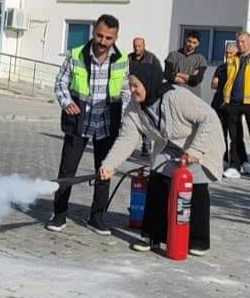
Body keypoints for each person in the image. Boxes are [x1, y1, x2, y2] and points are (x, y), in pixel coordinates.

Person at [99, 62, 223, 256]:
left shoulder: (175, 97)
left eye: (135, 85)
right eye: (130, 85)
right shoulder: (135, 107)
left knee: (196, 188)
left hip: (200, 143)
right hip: (169, 146)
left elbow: (210, 118)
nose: (132, 91)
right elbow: (127, 138)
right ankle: (152, 235)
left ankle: (198, 240)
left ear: (148, 83)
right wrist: (109, 165)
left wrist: (195, 151)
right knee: (158, 181)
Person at [48, 14, 130, 236]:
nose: (103, 42)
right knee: (67, 170)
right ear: (94, 31)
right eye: (100, 35)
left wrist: (123, 117)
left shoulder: (122, 59)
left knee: (104, 171)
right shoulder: (76, 55)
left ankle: (97, 218)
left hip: (106, 124)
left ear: (116, 37)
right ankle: (59, 214)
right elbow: (60, 83)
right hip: (78, 122)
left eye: (109, 38)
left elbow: (125, 91)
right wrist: (66, 102)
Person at [221, 31, 250, 178]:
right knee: (234, 136)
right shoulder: (233, 59)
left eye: (243, 41)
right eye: (238, 41)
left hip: (249, 102)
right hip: (233, 102)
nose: (240, 44)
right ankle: (236, 165)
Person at [128, 37, 162, 157]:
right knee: (132, 120)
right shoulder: (129, 58)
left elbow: (158, 74)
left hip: (147, 95)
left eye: (139, 46)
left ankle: (146, 146)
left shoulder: (151, 58)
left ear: (144, 45)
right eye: (135, 46)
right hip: (133, 93)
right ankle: (128, 146)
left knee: (146, 120)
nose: (137, 48)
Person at [210, 41, 238, 173]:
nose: (228, 55)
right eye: (226, 53)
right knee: (220, 133)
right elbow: (214, 84)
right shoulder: (221, 67)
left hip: (232, 105)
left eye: (231, 53)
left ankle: (235, 162)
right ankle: (223, 158)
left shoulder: (240, 69)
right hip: (218, 103)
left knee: (234, 135)